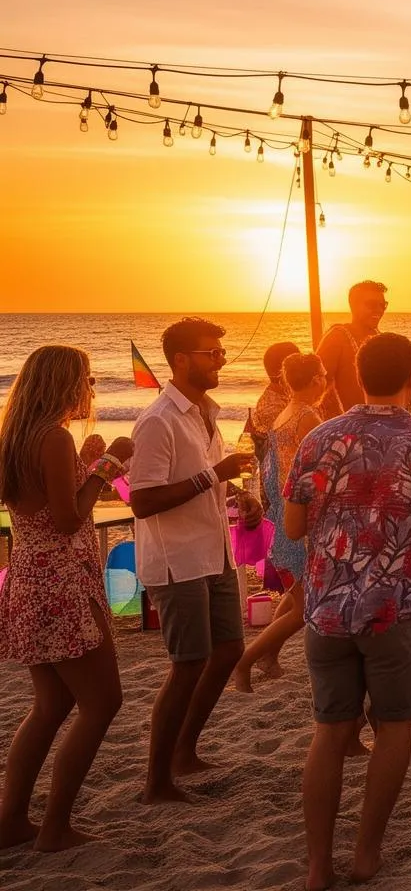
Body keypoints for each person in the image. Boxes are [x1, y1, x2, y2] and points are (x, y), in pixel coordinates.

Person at [283, 331, 411, 888]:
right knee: (394, 727)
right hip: (396, 605)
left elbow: (292, 526)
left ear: (358, 376)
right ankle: (365, 852)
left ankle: (317, 865)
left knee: (329, 731)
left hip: (327, 607)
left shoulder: (319, 437)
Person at [0, 345, 128, 852]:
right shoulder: (52, 438)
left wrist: (88, 462)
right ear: (63, 384)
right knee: (103, 704)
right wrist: (108, 466)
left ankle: (11, 820)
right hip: (62, 582)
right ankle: (54, 828)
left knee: (51, 704)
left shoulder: (15, 437)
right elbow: (69, 518)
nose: (92, 389)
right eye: (87, 379)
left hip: (31, 577)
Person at [127, 316, 254, 804]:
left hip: (213, 548)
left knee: (227, 651)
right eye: (211, 353)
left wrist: (238, 493)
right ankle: (156, 782)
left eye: (222, 353)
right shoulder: (158, 420)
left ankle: (185, 749)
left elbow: (211, 477)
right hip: (176, 558)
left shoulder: (205, 411)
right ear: (180, 360)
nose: (220, 360)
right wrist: (212, 477)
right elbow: (142, 501)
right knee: (188, 663)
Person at [235, 352, 329, 692]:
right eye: (324, 374)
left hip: (281, 513)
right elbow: (321, 474)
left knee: (292, 597)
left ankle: (268, 656)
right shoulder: (307, 417)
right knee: (303, 606)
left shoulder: (283, 414)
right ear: (316, 379)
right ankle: (245, 662)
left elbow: (274, 473)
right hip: (298, 519)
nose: (326, 380)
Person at [316, 281, 388, 415]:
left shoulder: (381, 339)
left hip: (379, 425)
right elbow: (314, 389)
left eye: (383, 305)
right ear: (353, 306)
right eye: (371, 304)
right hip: (348, 428)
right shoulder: (338, 337)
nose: (379, 310)